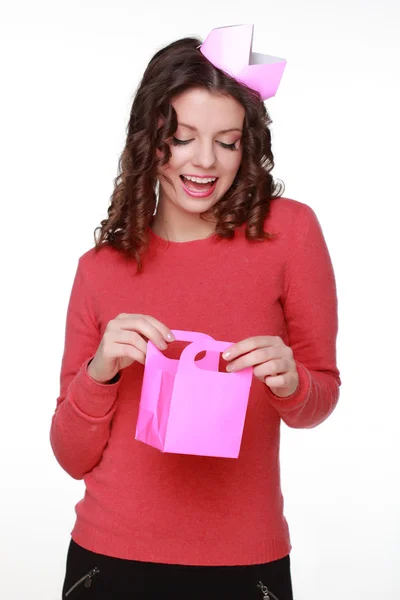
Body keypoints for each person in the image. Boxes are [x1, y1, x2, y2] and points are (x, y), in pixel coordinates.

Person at [51, 24, 341, 600]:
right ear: (148, 138)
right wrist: (101, 370)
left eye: (227, 142)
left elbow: (318, 398)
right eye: (181, 138)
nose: (204, 161)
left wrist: (290, 381)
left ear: (246, 146)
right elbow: (70, 454)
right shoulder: (100, 268)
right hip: (109, 560)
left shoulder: (290, 233)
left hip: (243, 563)